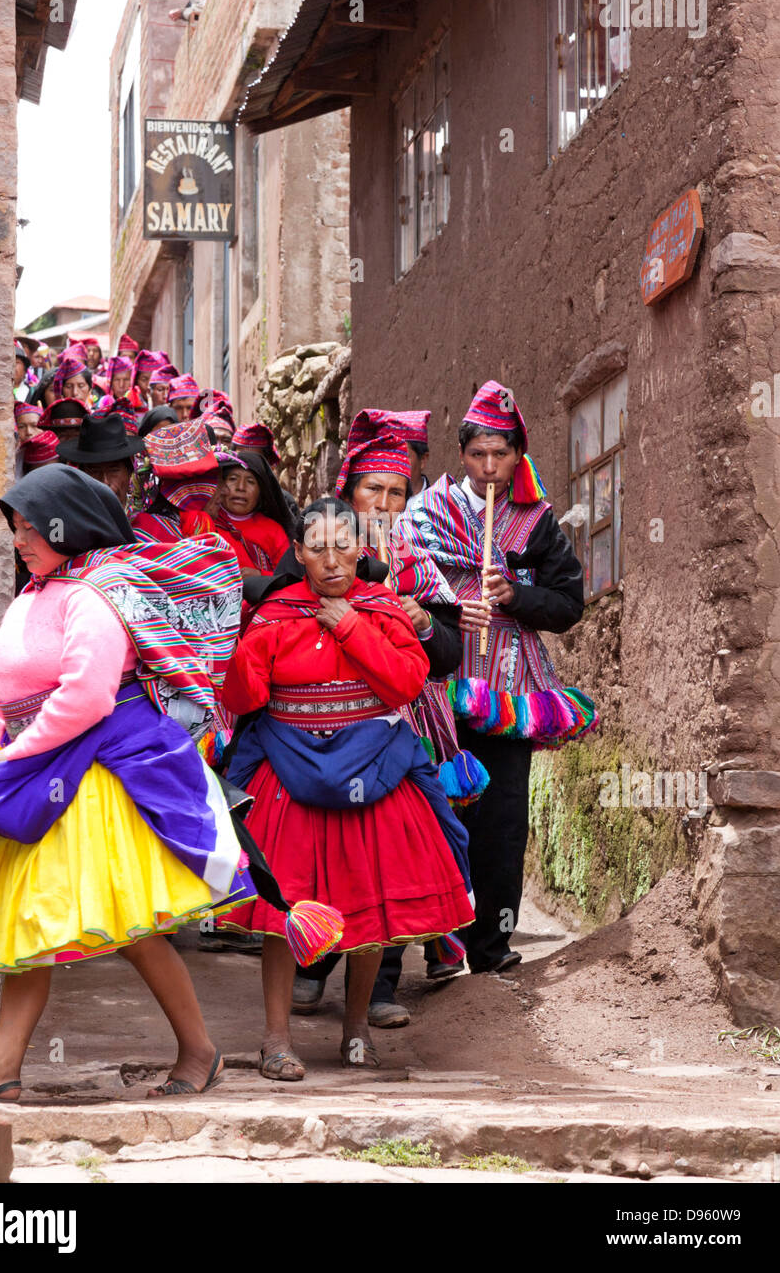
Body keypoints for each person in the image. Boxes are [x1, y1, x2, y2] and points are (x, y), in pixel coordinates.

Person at [0, 468, 258, 1100]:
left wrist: (10, 757)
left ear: (65, 527)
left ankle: (199, 1050)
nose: (18, 538)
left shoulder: (94, 597)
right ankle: (3, 1070)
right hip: (33, 774)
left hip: (90, 783)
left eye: (28, 526)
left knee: (133, 929)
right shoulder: (32, 596)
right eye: (15, 526)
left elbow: (86, 697)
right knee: (32, 924)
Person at [217, 496, 473, 1081]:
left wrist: (353, 628)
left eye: (343, 544)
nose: (331, 559)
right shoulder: (275, 613)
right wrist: (244, 643)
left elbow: (408, 682)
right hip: (288, 770)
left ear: (363, 549)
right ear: (299, 553)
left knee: (370, 906)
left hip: (373, 769)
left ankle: (356, 1030)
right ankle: (276, 1038)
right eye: (317, 547)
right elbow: (243, 699)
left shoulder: (383, 610)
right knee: (285, 904)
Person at [404, 381, 597, 975]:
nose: (489, 469)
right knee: (444, 810)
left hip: (512, 693)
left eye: (501, 455)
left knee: (504, 820)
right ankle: (442, 947)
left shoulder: (536, 522)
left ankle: (492, 948)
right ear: (461, 455)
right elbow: (402, 591)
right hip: (441, 684)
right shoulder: (425, 515)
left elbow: (568, 605)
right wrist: (447, 609)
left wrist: (516, 594)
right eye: (477, 455)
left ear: (519, 455)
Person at [293, 415, 473, 1025]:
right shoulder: (322, 550)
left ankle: (383, 986)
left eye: (398, 491)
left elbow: (448, 654)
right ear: (349, 492)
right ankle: (313, 966)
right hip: (325, 726)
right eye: (374, 489)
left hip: (407, 721)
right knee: (328, 846)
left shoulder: (425, 563)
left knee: (390, 855)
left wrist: (422, 622)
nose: (385, 502)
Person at [215, 449, 294, 576]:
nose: (241, 487)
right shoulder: (205, 523)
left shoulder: (273, 531)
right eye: (233, 479)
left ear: (261, 492)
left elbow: (289, 577)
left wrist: (260, 576)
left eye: (250, 481)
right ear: (221, 485)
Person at [57, 414, 145, 510]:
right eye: (94, 471)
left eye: (113, 470)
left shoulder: (146, 522)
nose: (105, 482)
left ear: (129, 473)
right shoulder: (68, 519)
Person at [127, 350, 161, 417]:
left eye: (154, 379)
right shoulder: (129, 405)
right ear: (136, 381)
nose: (149, 385)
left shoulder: (173, 405)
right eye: (144, 379)